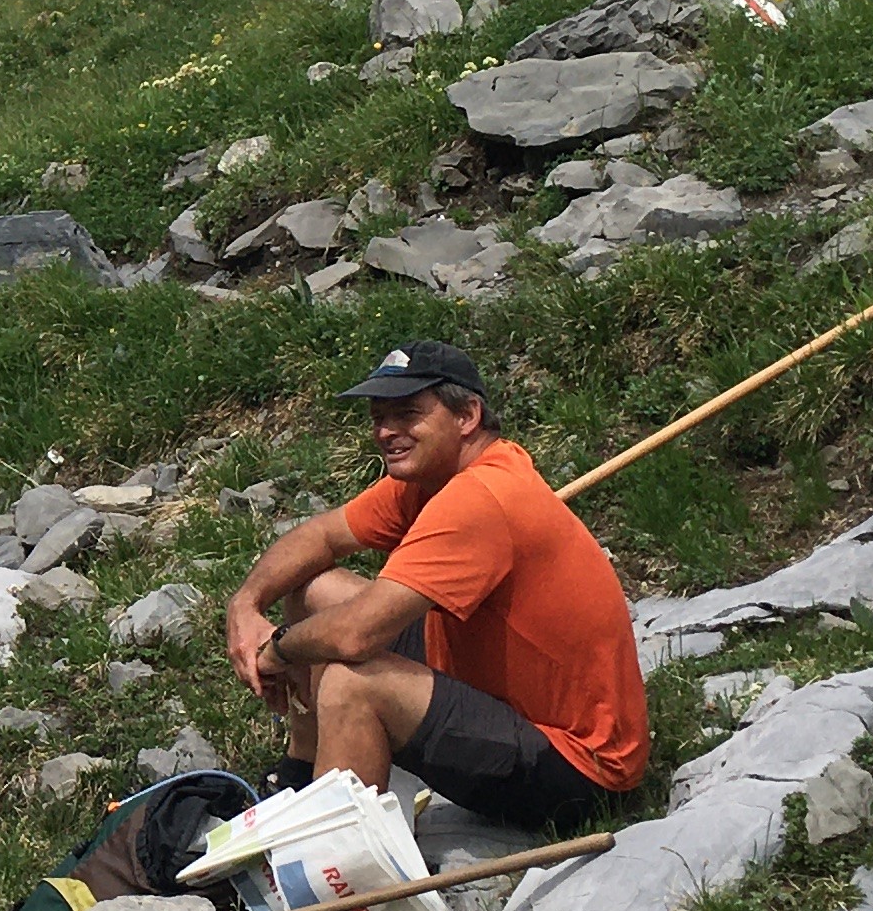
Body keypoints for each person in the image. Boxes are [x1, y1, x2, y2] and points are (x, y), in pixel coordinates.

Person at [222, 339, 646, 829]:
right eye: (379, 417)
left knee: (351, 680)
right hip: (489, 690)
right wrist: (245, 605)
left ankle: (330, 856)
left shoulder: (482, 496)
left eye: (407, 414)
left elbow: (356, 636)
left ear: (467, 416)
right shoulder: (432, 480)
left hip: (577, 768)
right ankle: (300, 775)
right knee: (312, 591)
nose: (386, 431)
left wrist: (277, 650)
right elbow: (321, 536)